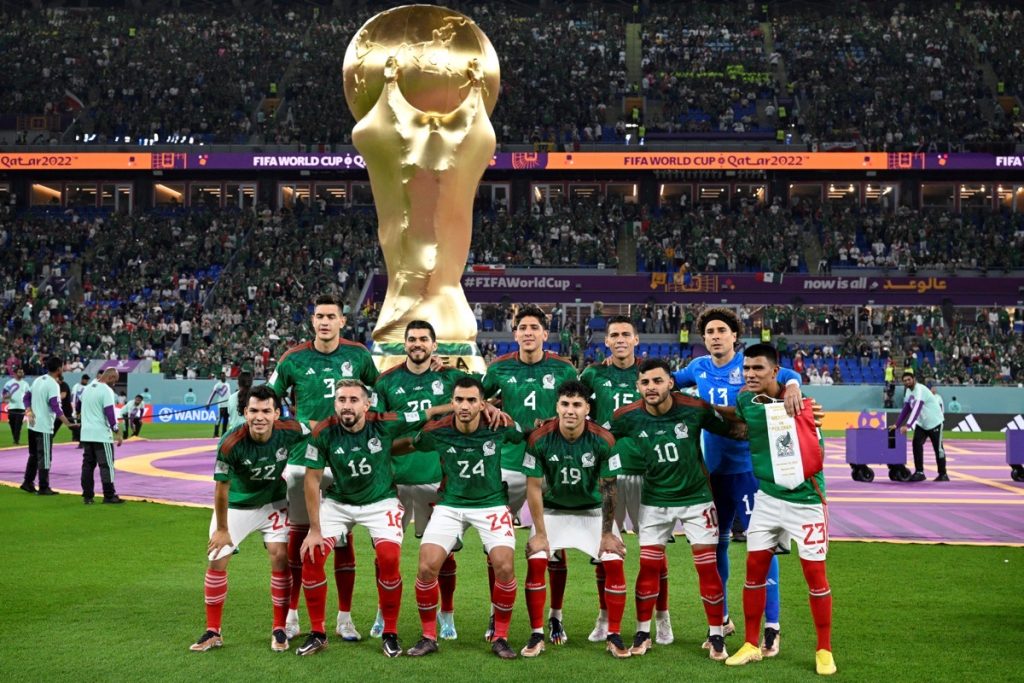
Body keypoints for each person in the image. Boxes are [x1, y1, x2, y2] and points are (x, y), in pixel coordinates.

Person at [673, 308, 803, 654]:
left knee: (763, 548)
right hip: (713, 475)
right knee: (716, 546)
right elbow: (667, 379)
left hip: (750, 473)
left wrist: (791, 385)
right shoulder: (698, 368)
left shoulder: (747, 365)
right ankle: (723, 619)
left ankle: (772, 627)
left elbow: (787, 373)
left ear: (734, 336)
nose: (715, 336)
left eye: (721, 330)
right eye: (709, 332)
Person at [295, 380, 450, 658]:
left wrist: (454, 405)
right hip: (339, 502)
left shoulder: (385, 422)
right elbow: (312, 480)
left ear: (367, 405)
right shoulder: (323, 431)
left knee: (389, 558)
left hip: (381, 502)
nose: (347, 406)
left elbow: (425, 414)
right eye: (341, 400)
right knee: (312, 555)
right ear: (335, 404)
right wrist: (315, 529)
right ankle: (318, 633)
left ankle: (390, 632)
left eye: (354, 400)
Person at [611, 358, 746, 661]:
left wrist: (779, 423)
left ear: (671, 382)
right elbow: (596, 435)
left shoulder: (694, 407)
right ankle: (643, 632)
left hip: (697, 500)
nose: (651, 388)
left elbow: (734, 430)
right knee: (648, 567)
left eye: (658, 381)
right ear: (638, 386)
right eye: (645, 383)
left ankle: (715, 635)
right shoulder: (626, 416)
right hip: (654, 502)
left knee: (706, 567)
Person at [268, 293, 379, 641]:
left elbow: (381, 393)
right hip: (304, 461)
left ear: (342, 321)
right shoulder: (293, 359)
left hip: (347, 459)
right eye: (319, 316)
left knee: (343, 539)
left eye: (331, 316)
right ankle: (293, 614)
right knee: (300, 538)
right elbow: (270, 399)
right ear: (312, 321)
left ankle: (344, 618)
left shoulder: (359, 355)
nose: (325, 321)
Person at [722, 344, 836, 676]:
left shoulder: (802, 404)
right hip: (768, 500)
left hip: (806, 503)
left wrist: (794, 387)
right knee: (754, 571)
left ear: (775, 372)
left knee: (815, 577)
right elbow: (737, 417)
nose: (750, 375)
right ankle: (750, 644)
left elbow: (816, 453)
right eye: (746, 369)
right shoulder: (745, 400)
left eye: (758, 369)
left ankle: (824, 649)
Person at [369, 320, 477, 640]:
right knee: (386, 554)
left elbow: (484, 392)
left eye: (424, 339)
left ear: (434, 345)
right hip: (394, 481)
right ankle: (382, 611)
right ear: (404, 344)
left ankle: (447, 614)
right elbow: (376, 430)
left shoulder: (451, 378)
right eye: (412, 339)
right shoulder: (386, 382)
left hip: (436, 478)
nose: (418, 344)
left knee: (443, 554)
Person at [404, 377, 524, 660]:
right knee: (426, 567)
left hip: (491, 504)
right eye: (459, 400)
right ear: (452, 402)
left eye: (472, 400)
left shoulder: (500, 425)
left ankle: (501, 636)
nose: (465, 406)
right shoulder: (437, 431)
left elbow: (525, 434)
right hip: (451, 504)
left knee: (504, 567)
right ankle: (429, 636)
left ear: (483, 404)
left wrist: (506, 415)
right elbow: (413, 441)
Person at [189, 385, 309, 654]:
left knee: (280, 557)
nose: (259, 417)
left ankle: (279, 628)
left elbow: (316, 428)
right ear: (245, 412)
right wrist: (222, 529)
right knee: (217, 558)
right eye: (253, 410)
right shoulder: (231, 442)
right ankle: (213, 631)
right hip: (236, 506)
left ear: (277, 413)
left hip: (273, 504)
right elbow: (221, 488)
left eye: (266, 411)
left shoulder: (289, 430)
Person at [481, 304, 577, 641]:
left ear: (545, 334)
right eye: (522, 327)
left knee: (554, 542)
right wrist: (489, 405)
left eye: (534, 327)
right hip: (507, 463)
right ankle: (496, 613)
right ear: (515, 332)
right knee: (497, 545)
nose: (528, 332)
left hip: (551, 464)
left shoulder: (564, 369)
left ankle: (555, 616)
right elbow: (473, 399)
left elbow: (581, 408)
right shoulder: (498, 369)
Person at [520, 380, 630, 659]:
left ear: (587, 408)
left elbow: (609, 487)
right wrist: (541, 534)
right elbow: (533, 486)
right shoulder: (539, 438)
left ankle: (613, 634)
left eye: (577, 405)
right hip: (554, 511)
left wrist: (607, 534)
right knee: (536, 559)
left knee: (614, 560)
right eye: (565, 404)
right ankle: (536, 634)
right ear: (557, 406)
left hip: (593, 511)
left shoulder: (603, 439)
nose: (571, 411)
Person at [580, 315, 673, 644]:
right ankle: (604, 616)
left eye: (626, 334)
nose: (620, 339)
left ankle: (662, 618)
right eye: (614, 335)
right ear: (606, 342)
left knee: (654, 553)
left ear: (636, 340)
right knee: (605, 550)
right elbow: (576, 408)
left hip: (649, 473)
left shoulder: (650, 375)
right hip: (607, 474)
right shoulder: (593, 373)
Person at [22, 356, 76, 495]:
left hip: (32, 425)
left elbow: (26, 397)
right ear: (59, 369)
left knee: (33, 455)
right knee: (45, 457)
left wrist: (28, 410)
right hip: (44, 426)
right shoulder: (53, 385)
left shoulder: (38, 380)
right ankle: (44, 487)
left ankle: (27, 482)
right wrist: (68, 423)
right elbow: (56, 407)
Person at [79, 369, 124, 504]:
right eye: (115, 379)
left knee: (88, 465)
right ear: (110, 377)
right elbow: (109, 412)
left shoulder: (87, 389)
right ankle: (109, 495)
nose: (115, 383)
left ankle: (88, 496)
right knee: (106, 465)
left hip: (86, 433)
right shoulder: (106, 390)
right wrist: (116, 430)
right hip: (101, 434)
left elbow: (80, 406)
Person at [894, 372, 948, 482]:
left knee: (938, 449)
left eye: (909, 379)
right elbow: (906, 408)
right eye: (904, 381)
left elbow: (917, 408)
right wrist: (897, 424)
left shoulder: (920, 389)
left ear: (914, 379)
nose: (907, 382)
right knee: (916, 445)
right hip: (922, 424)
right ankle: (919, 472)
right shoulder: (909, 391)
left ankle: (943, 474)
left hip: (935, 422)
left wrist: (908, 425)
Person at [3, 367, 28, 445]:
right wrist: (6, 397)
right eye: (20, 372)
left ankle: (16, 440)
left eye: (22, 372)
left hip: (21, 407)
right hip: (11, 407)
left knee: (18, 425)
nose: (21, 374)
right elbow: (4, 393)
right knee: (12, 424)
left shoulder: (25, 384)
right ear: (15, 373)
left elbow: (28, 395)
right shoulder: (9, 383)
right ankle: (15, 438)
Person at [208, 372, 231, 438]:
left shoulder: (227, 384)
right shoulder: (217, 385)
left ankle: (224, 433)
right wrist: (208, 403)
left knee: (226, 420)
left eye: (224, 376)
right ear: (220, 377)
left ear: (225, 377)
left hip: (227, 405)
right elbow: (212, 394)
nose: (223, 377)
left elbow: (229, 394)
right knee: (218, 419)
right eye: (222, 376)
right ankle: (216, 433)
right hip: (221, 405)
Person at [70, 374, 90, 447]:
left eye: (87, 380)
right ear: (82, 379)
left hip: (84, 409)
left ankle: (82, 441)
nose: (87, 381)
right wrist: (73, 408)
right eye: (85, 379)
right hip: (78, 408)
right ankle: (79, 440)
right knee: (78, 424)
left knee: (83, 425)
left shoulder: (88, 387)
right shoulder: (76, 386)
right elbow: (73, 397)